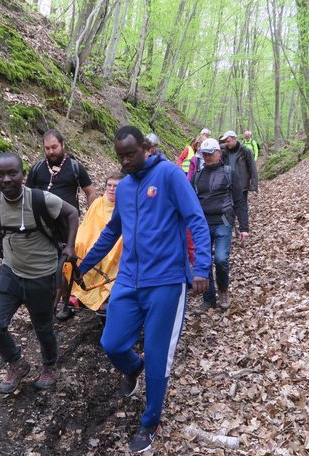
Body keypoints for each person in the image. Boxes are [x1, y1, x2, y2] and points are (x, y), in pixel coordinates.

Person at [78, 126, 211, 453]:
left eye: (130, 154)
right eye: (120, 155)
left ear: (145, 148)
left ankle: (150, 421)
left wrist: (203, 267)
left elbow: (196, 219)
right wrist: (80, 266)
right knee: (112, 342)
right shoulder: (123, 189)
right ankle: (134, 369)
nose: (125, 161)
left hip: (166, 282)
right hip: (128, 281)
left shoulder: (168, 175)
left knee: (157, 355)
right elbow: (113, 232)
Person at [0, 152, 78, 393]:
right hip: (11, 272)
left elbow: (72, 214)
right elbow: (0, 222)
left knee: (43, 327)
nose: (6, 179)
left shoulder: (41, 199)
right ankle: (16, 363)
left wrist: (69, 246)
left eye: (12, 173)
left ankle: (49, 367)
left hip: (42, 275)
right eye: (0, 174)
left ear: (22, 175)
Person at [26, 128, 96, 319]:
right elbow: (27, 195)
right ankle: (53, 302)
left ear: (63, 144)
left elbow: (90, 191)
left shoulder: (74, 167)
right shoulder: (37, 169)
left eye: (54, 147)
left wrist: (91, 215)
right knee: (46, 265)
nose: (51, 151)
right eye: (47, 148)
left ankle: (67, 302)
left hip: (68, 225)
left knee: (66, 264)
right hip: (42, 226)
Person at [192, 138, 249, 312]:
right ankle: (208, 299)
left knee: (221, 259)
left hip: (224, 221)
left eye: (211, 153)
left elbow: (239, 201)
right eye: (205, 154)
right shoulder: (197, 176)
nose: (208, 157)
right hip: (202, 224)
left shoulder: (229, 172)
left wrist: (244, 228)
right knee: (205, 261)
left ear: (218, 153)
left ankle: (223, 291)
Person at [66, 172, 125, 312]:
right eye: (109, 185)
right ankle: (76, 294)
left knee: (112, 255)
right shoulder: (98, 203)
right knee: (79, 248)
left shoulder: (125, 206)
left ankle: (105, 296)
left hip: (114, 243)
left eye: (115, 186)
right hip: (95, 240)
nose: (111, 189)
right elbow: (87, 225)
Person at [219, 130, 258, 215]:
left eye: (228, 141)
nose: (226, 143)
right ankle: (231, 226)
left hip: (241, 185)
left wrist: (254, 185)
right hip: (228, 185)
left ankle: (244, 228)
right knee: (229, 207)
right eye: (225, 141)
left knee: (242, 208)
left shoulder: (245, 151)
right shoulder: (225, 152)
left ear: (234, 139)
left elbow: (252, 168)